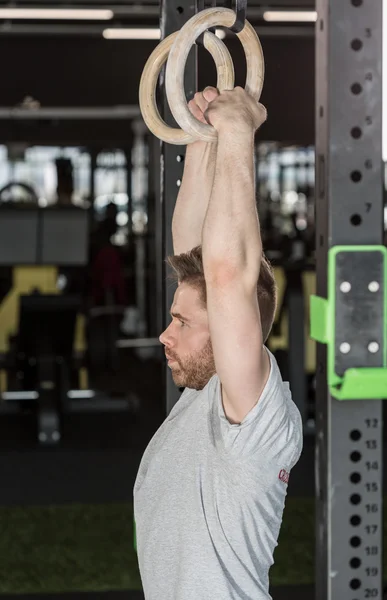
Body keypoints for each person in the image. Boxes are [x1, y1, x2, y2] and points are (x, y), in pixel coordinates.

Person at [133, 87, 303, 600]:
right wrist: (201, 137)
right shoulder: (203, 398)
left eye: (182, 322)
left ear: (234, 324)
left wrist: (237, 131)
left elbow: (227, 275)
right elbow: (196, 249)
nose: (166, 333)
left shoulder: (254, 420)